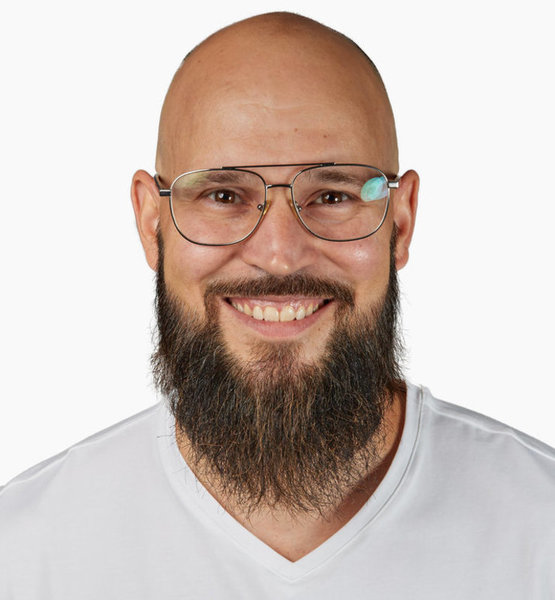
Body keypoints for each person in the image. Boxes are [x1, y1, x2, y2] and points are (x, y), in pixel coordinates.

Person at [1, 11, 554, 599]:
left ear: (401, 221)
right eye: (223, 195)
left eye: (333, 195)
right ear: (150, 222)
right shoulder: (25, 554)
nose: (280, 256)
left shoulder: (538, 532)